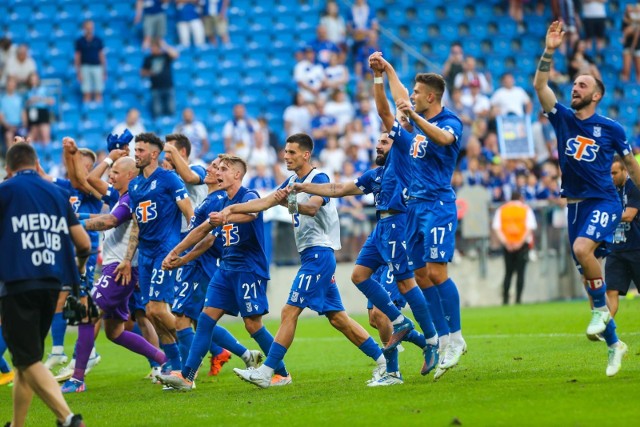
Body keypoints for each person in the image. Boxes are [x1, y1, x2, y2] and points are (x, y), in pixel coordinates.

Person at [227, 133, 387, 388]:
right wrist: (232, 209)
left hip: (319, 254)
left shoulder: (318, 179)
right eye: (285, 152)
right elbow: (266, 202)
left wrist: (287, 200)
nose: (285, 156)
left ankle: (268, 372)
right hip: (311, 256)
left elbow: (312, 207)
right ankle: (384, 361)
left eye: (291, 152)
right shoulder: (291, 181)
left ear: (305, 155)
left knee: (289, 310)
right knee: (338, 319)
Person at [533, 20, 640, 376]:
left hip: (604, 201)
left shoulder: (611, 128)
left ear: (596, 95)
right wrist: (550, 49)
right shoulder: (562, 118)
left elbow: (630, 165)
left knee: (583, 251)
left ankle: (600, 310)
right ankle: (615, 344)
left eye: (583, 85)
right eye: (575, 83)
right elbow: (540, 85)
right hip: (575, 206)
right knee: (587, 276)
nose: (575, 88)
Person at [292, 132, 440, 385]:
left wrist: (387, 99)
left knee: (388, 307)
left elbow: (395, 127)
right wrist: (304, 186)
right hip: (380, 230)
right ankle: (403, 325)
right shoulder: (375, 175)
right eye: (378, 142)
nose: (378, 146)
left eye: (384, 142)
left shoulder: (402, 163)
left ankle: (420, 349)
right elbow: (339, 189)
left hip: (399, 228)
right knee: (360, 281)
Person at [370, 53, 466, 380]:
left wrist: (414, 118)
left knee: (438, 273)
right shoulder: (414, 129)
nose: (410, 97)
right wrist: (386, 71)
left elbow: (446, 139)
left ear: (431, 97)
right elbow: (394, 102)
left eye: (415, 93)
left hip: (438, 205)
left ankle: (455, 338)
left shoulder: (448, 121)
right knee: (422, 276)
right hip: (414, 208)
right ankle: (440, 335)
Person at [156, 154, 287, 390]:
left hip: (248, 269)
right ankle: (187, 377)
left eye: (224, 169)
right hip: (225, 269)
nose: (218, 173)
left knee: (253, 325)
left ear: (237, 174)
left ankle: (282, 373)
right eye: (219, 169)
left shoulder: (249, 196)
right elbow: (200, 232)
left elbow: (252, 214)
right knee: (205, 319)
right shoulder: (219, 203)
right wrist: (174, 253)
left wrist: (226, 215)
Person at [61, 156, 170, 393]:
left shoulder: (131, 197)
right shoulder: (122, 197)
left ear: (130, 175)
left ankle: (78, 380)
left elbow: (110, 221)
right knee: (115, 332)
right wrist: (73, 218)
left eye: (116, 173)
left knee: (87, 315)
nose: (111, 176)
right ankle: (166, 362)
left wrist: (71, 226)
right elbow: (92, 188)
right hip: (119, 269)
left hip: (120, 269)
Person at [0, 142, 90, 427]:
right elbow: (84, 244)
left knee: (27, 360)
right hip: (53, 285)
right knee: (27, 359)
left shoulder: (5, 191)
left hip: (18, 283)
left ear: (8, 168)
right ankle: (17, 424)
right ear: (35, 162)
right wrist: (78, 268)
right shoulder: (57, 194)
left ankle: (68, 419)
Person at [115, 132, 194, 378]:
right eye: (135, 149)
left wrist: (190, 248)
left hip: (166, 251)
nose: (135, 153)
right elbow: (137, 224)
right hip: (146, 254)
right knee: (150, 312)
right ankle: (175, 366)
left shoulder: (169, 179)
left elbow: (189, 214)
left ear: (154, 153)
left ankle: (193, 358)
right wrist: (128, 258)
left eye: (140, 150)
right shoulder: (136, 185)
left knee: (159, 310)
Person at [606, 157, 640, 317]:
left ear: (624, 171)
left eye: (614, 173)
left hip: (636, 247)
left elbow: (629, 215)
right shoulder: (608, 190)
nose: (611, 176)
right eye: (609, 173)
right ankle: (606, 327)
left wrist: (607, 216)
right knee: (611, 290)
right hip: (616, 249)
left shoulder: (634, 187)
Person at [492, 190, 537, 305]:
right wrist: (520, 243)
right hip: (522, 245)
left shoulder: (502, 209)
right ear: (520, 198)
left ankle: (505, 300)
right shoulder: (526, 209)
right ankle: (518, 299)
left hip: (508, 246)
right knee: (521, 273)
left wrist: (506, 243)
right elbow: (529, 228)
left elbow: (497, 228)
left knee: (508, 273)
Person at [141, 39, 178, 118]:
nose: (152, 49)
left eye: (154, 47)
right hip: (156, 88)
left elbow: (175, 55)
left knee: (171, 110)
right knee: (157, 112)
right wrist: (151, 72)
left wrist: (165, 46)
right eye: (151, 47)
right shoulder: (149, 58)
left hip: (168, 86)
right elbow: (142, 72)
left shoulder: (165, 56)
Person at [74, 20, 106, 104]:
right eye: (87, 28)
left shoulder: (98, 40)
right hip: (85, 67)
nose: (89, 29)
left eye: (91, 28)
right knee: (86, 92)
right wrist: (78, 72)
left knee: (98, 91)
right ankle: (87, 113)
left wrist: (104, 70)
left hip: (97, 66)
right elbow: (77, 57)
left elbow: (101, 55)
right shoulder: (80, 41)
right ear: (84, 28)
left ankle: (98, 112)